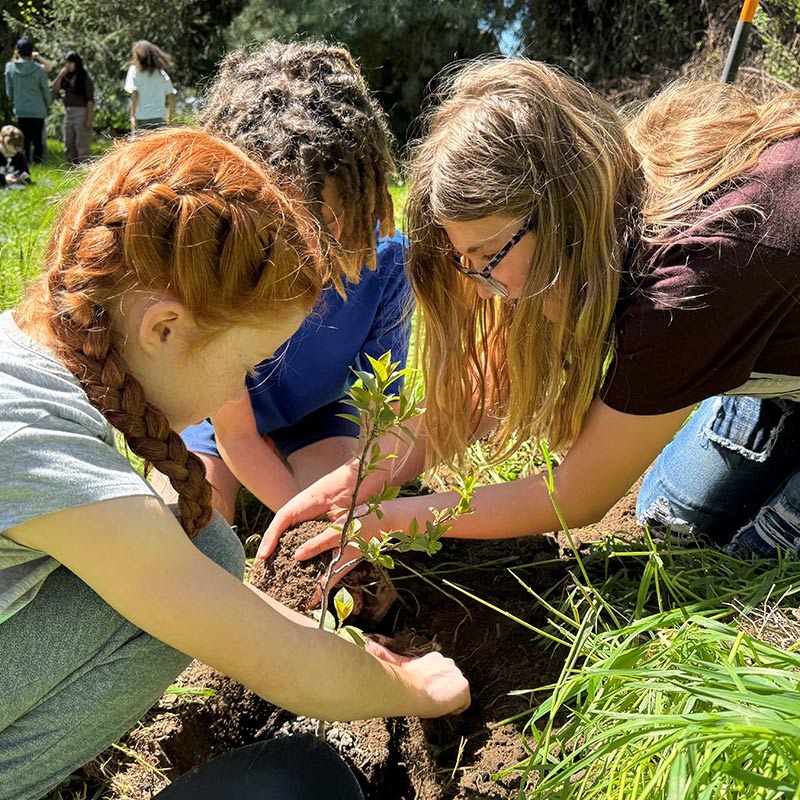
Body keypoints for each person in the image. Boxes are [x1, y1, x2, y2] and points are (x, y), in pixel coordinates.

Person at [0, 128, 469, 800]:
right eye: (245, 367)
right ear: (163, 328)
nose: (232, 396)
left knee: (210, 551)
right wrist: (415, 686)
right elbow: (281, 663)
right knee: (303, 782)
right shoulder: (32, 441)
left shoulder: (29, 362)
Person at [262, 57, 800, 566]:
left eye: (484, 259)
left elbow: (578, 497)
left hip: (737, 312)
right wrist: (364, 475)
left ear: (557, 210)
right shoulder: (601, 214)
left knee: (751, 557)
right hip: (761, 341)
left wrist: (391, 521)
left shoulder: (685, 286)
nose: (480, 289)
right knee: (667, 520)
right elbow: (485, 391)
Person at [171, 41, 412, 522]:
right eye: (288, 227)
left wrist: (324, 522)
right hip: (214, 415)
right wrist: (295, 520)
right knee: (193, 524)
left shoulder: (386, 262)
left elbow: (378, 417)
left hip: (319, 415)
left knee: (342, 504)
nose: (319, 246)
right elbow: (235, 434)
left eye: (330, 217)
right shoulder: (213, 260)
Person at [3, 38, 51, 163]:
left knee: (24, 139)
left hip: (21, 108)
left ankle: (25, 163)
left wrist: (14, 100)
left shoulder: (10, 68)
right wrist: (47, 103)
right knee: (38, 141)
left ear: (17, 52)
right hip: (38, 109)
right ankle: (38, 163)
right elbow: (45, 89)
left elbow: (9, 91)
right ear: (31, 53)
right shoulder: (38, 69)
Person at [123, 40, 176, 133]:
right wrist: (169, 119)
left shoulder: (134, 70)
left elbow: (135, 94)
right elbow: (171, 95)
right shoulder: (161, 73)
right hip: (159, 119)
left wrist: (132, 116)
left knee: (139, 147)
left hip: (141, 119)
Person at [51, 51, 94, 163]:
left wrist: (89, 119)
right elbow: (55, 88)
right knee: (68, 142)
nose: (67, 65)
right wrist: (60, 75)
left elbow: (90, 100)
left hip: (81, 112)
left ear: (76, 63)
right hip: (68, 113)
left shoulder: (84, 78)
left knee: (81, 143)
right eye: (66, 63)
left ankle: (83, 167)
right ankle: (71, 167)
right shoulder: (66, 77)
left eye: (70, 63)